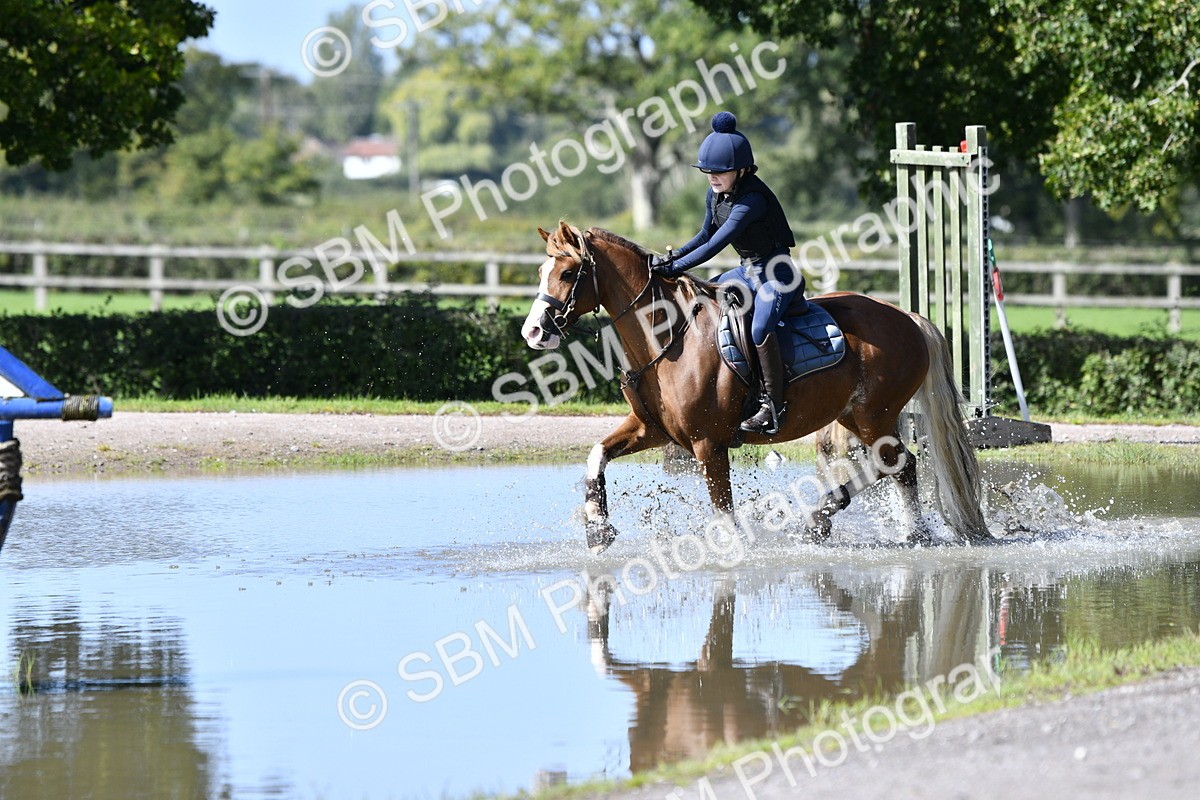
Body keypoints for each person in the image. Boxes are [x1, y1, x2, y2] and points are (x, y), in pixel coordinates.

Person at [650, 111, 805, 435]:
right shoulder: (716, 194)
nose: (712, 177)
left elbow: (717, 245)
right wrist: (671, 257)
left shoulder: (752, 201)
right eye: (708, 171)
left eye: (719, 171)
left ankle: (772, 407)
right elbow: (704, 234)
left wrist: (675, 269)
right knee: (703, 307)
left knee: (761, 327)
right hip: (747, 271)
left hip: (777, 273)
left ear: (743, 169)